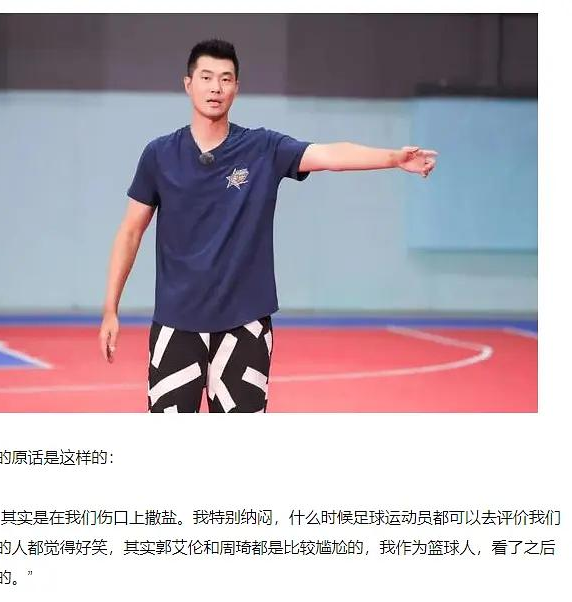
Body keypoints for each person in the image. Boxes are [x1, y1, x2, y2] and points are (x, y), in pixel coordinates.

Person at [99, 39, 437, 413]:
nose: (215, 88)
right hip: (176, 326)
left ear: (236, 88)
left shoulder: (262, 148)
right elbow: (131, 231)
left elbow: (330, 155)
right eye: (206, 77)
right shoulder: (159, 155)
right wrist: (110, 308)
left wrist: (393, 158)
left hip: (245, 327)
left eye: (225, 79)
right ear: (188, 84)